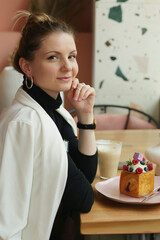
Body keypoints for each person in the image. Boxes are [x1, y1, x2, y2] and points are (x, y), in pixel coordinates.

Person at [0, 11, 97, 240]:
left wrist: (85, 115)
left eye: (71, 56)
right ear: (27, 67)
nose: (67, 67)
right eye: (53, 57)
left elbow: (86, 174)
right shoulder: (24, 123)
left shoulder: (54, 111)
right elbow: (84, 198)